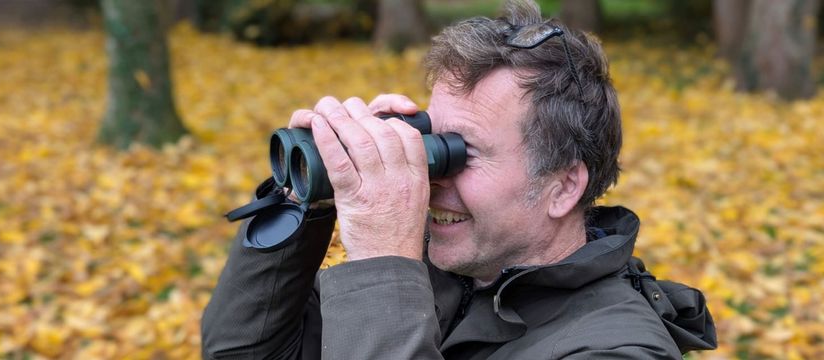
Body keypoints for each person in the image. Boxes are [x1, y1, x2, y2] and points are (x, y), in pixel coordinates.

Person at [201, 0, 716, 359]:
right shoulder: (436, 275)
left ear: (563, 186)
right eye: (429, 145)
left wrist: (383, 266)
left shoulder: (617, 346)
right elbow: (240, 352)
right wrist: (307, 199)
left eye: (461, 153)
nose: (428, 179)